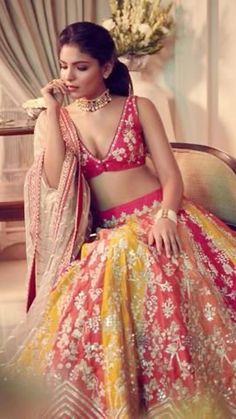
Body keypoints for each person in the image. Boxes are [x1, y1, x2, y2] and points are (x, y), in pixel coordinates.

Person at [1, 21, 236, 418]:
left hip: (162, 217)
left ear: (107, 67)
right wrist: (53, 111)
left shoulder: (138, 107)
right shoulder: (54, 119)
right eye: (63, 66)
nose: (68, 76)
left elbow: (170, 175)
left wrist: (166, 217)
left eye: (81, 67)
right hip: (110, 234)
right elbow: (56, 179)